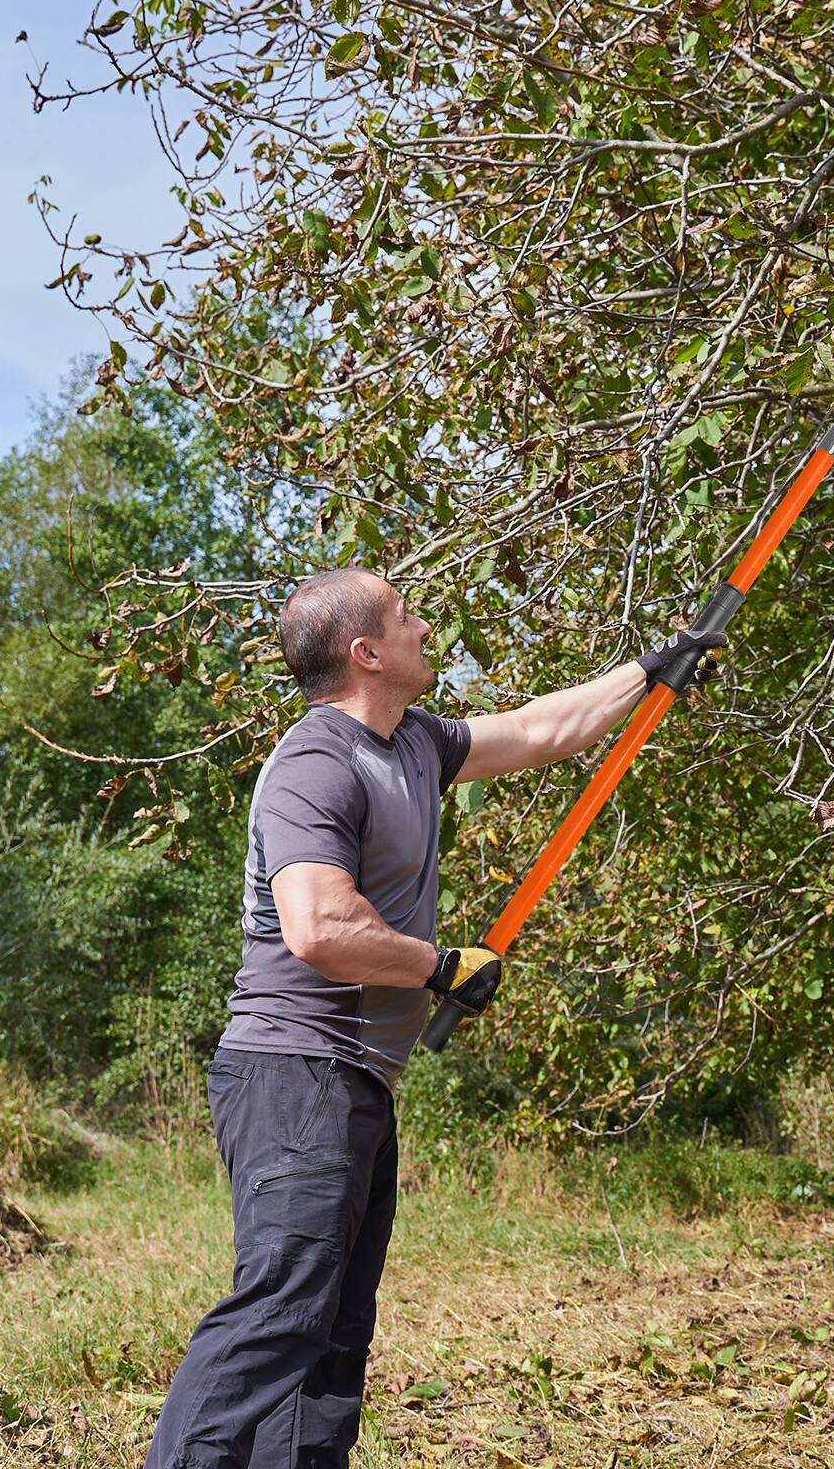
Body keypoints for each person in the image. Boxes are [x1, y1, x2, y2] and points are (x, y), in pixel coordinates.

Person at [144, 566, 723, 1469]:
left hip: (356, 1080)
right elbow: (318, 927)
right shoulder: (314, 764)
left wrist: (650, 671)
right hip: (294, 1070)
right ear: (366, 652)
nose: (424, 625)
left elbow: (537, 730)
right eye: (405, 615)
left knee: (332, 1335)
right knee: (278, 1313)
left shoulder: (414, 741)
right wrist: (442, 966)